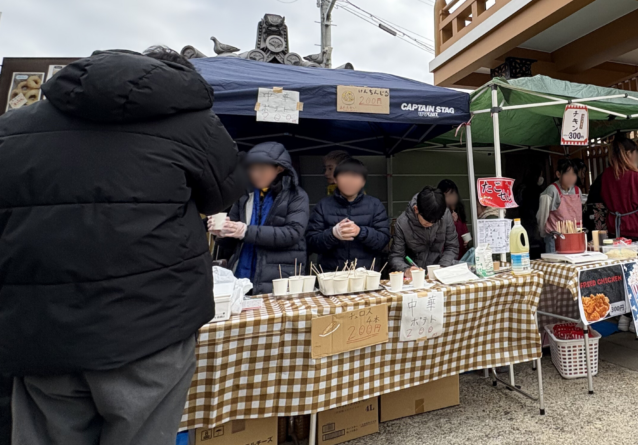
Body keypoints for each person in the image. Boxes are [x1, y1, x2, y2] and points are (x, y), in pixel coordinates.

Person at [0, 47, 246, 445]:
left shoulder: (14, 125)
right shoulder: (196, 123)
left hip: (41, 326)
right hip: (152, 321)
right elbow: (221, 193)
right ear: (179, 80)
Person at [211, 142, 309, 294]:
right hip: (241, 275)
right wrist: (223, 233)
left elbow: (293, 233)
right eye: (252, 169)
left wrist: (245, 231)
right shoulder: (245, 194)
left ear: (279, 168)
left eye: (262, 169)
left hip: (279, 278)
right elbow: (233, 239)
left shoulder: (296, 196)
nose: (255, 174)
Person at [306, 158, 390, 271]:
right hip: (332, 275)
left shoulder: (375, 205)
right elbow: (311, 243)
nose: (349, 181)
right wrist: (333, 234)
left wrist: (360, 231)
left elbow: (383, 240)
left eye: (355, 177)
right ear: (335, 179)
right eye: (344, 176)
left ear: (363, 182)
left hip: (366, 274)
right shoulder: (323, 205)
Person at [390, 186, 460, 271]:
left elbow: (452, 246)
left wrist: (443, 267)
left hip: (438, 271)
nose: (431, 225)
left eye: (434, 223)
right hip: (414, 275)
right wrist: (406, 270)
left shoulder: (445, 215)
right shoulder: (402, 223)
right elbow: (396, 256)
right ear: (416, 209)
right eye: (427, 222)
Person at [538, 159, 583, 253]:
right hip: (555, 238)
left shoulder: (577, 191)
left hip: (574, 237)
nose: (571, 178)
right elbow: (542, 215)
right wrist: (543, 234)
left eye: (574, 174)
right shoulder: (551, 191)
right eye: (567, 174)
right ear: (558, 174)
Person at [438, 179, 473, 258]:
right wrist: (453, 222)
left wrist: (469, 241)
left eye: (452, 194)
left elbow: (464, 232)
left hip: (462, 256)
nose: (450, 198)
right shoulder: (439, 213)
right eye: (446, 196)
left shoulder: (459, 210)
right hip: (446, 256)